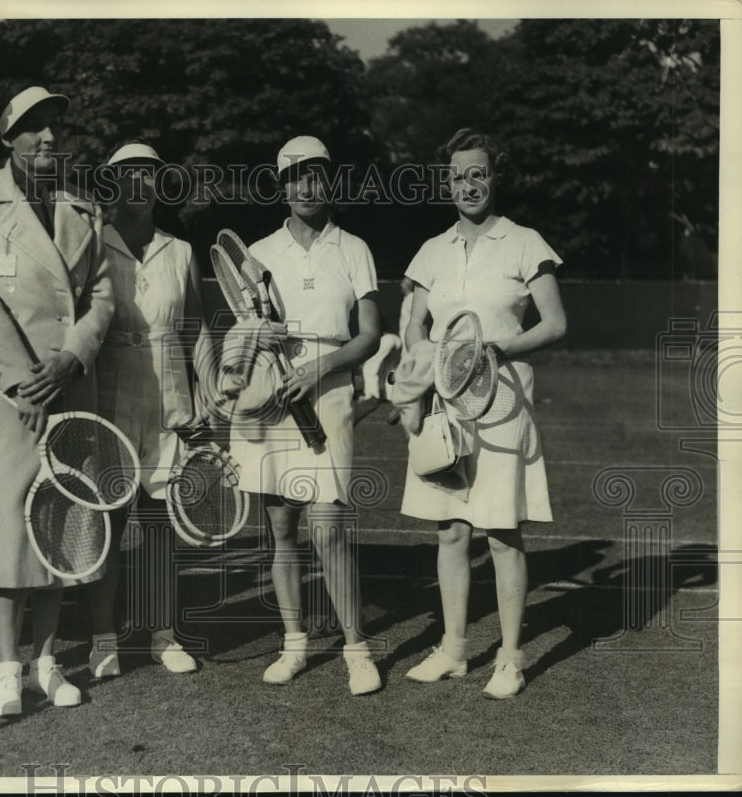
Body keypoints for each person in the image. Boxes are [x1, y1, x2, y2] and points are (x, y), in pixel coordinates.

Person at [0, 86, 114, 716]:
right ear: (9, 140)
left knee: (62, 520)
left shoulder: (83, 207)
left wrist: (71, 357)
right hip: (8, 394)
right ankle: (7, 668)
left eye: (53, 126)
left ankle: (48, 663)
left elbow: (102, 295)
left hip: (72, 387)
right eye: (34, 128)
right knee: (6, 526)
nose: (49, 138)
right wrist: (26, 379)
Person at [397, 128, 567, 699]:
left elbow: (555, 323)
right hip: (446, 408)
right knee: (449, 532)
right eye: (457, 177)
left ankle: (512, 659)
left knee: (500, 533)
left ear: (495, 177)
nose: (468, 185)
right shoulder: (432, 250)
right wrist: (418, 378)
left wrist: (500, 350)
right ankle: (452, 650)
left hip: (502, 404)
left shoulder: (525, 242)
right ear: (446, 184)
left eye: (478, 174)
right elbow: (415, 325)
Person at [230, 136, 382, 696]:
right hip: (273, 396)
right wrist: (257, 337)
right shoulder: (259, 252)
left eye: (314, 175)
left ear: (329, 179)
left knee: (330, 527)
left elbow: (370, 335)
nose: (305, 187)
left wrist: (320, 368)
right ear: (282, 186)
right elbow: (243, 335)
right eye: (294, 178)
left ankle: (356, 648)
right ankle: (294, 642)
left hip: (330, 391)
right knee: (281, 527)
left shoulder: (354, 248)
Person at [85, 141, 215, 677]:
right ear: (112, 184)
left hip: (171, 404)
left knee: (162, 524)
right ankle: (102, 640)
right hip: (110, 402)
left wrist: (206, 392)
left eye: (148, 175)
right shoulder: (91, 244)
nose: (139, 184)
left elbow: (196, 327)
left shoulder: (181, 250)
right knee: (107, 526)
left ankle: (163, 634)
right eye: (128, 175)